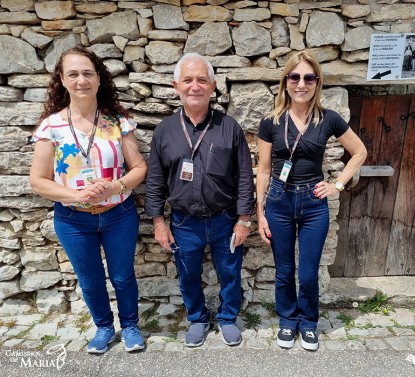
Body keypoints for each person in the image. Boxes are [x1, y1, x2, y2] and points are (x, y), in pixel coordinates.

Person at [29, 46, 147, 354]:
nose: (81, 80)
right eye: (73, 74)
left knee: (122, 276)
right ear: (62, 80)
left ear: (98, 79)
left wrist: (116, 186)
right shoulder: (50, 126)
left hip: (118, 213)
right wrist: (76, 195)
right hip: (72, 220)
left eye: (87, 73)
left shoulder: (118, 121)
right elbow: (38, 180)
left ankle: (131, 326)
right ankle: (104, 328)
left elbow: (139, 168)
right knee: (91, 280)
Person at [256, 51, 367, 351]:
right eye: (295, 77)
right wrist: (260, 213)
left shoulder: (328, 119)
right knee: (283, 271)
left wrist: (338, 185)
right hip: (278, 201)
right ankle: (287, 322)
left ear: (317, 83)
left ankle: (308, 323)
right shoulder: (270, 122)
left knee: (307, 273)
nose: (301, 84)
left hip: (313, 203)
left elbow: (359, 152)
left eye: (308, 77)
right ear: (286, 81)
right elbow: (264, 170)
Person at [145, 53, 254, 348]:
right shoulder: (165, 131)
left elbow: (245, 176)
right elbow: (154, 180)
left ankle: (228, 318)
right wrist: (158, 222)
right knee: (188, 275)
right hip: (183, 222)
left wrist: (244, 220)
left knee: (229, 273)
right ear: (176, 85)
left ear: (213, 86)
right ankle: (197, 318)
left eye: (202, 80)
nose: (195, 86)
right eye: (188, 80)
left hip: (225, 220)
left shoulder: (229, 127)